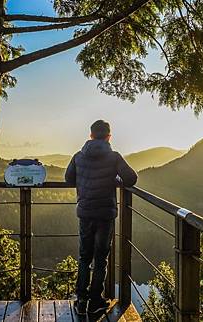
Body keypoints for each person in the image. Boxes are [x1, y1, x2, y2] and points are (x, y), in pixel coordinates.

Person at [65, 120, 138, 315]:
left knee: (84, 257)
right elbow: (131, 178)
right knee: (101, 259)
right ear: (108, 137)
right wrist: (115, 179)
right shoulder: (114, 157)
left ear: (90, 136)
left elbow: (68, 179)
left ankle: (81, 300)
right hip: (105, 215)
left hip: (86, 212)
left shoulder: (78, 156)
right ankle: (95, 301)